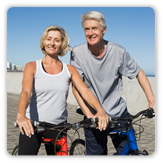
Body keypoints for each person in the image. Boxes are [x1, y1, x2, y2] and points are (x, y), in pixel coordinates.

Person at [70, 11, 155, 155]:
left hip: (119, 115)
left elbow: (138, 72)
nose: (90, 33)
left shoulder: (118, 51)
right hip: (94, 117)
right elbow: (77, 88)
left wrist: (152, 100)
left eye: (94, 28)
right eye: (87, 29)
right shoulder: (77, 53)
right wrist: (89, 114)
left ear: (104, 30)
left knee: (131, 153)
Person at [16, 25, 109, 156]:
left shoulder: (69, 70)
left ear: (62, 44)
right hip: (33, 125)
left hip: (58, 127)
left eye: (57, 40)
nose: (52, 43)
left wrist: (100, 111)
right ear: (44, 41)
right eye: (49, 39)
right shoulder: (32, 66)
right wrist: (21, 116)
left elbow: (85, 92)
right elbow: (25, 92)